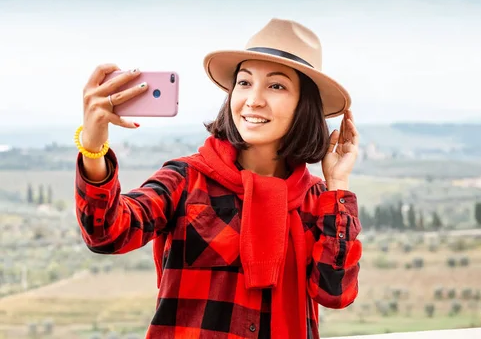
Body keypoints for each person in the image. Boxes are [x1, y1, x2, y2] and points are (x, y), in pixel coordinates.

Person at [73, 18, 362, 339]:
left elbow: (335, 293)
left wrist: (337, 186)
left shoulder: (315, 200)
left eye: (276, 85)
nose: (254, 99)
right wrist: (92, 147)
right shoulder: (187, 179)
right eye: (244, 82)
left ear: (303, 106)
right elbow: (106, 233)